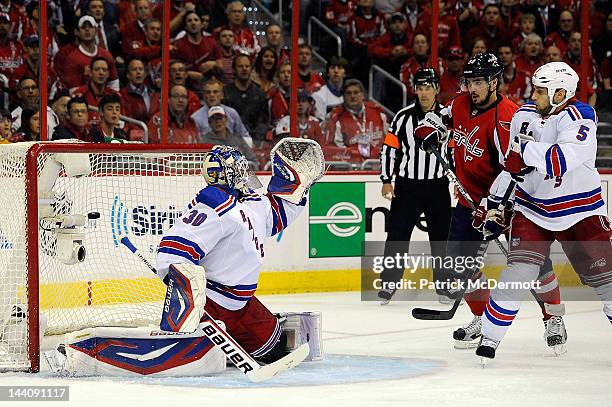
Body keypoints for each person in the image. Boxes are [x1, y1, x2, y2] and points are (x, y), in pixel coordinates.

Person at [414, 53, 564, 349]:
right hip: (469, 202)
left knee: (534, 266)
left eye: (480, 81)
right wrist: (430, 127)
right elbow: (442, 116)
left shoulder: (508, 117)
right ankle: (483, 319)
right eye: (470, 81)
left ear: (495, 82)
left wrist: (495, 207)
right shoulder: (460, 102)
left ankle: (553, 318)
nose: (473, 87)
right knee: (459, 266)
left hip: (511, 204)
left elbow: (516, 168)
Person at [476, 62, 612, 361]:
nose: (531, 95)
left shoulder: (581, 117)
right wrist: (494, 204)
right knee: (517, 275)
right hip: (533, 208)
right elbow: (511, 169)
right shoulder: (524, 115)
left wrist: (522, 153)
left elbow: (558, 160)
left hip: (581, 211)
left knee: (607, 282)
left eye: (540, 91)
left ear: (560, 92)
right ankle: (489, 338)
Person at [156, 143, 314, 363]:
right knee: (202, 359)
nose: (245, 173)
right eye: (240, 168)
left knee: (276, 350)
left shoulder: (251, 202)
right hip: (211, 304)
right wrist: (186, 295)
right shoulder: (213, 203)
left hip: (241, 304)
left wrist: (297, 185)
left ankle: (226, 346)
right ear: (227, 173)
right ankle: (205, 341)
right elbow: (174, 251)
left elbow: (278, 214)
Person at [377, 68, 451, 304]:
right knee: (397, 236)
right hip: (407, 187)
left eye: (428, 87)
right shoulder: (402, 117)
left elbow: (454, 152)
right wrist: (386, 180)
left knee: (441, 239)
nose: (424, 92)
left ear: (437, 89)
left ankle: (445, 286)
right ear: (415, 90)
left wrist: (459, 182)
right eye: (420, 87)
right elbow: (390, 150)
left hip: (438, 186)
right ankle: (388, 285)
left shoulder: (448, 117)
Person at [324, 79, 387, 160]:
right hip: (352, 167)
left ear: (363, 95)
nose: (352, 96)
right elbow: (335, 150)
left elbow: (389, 140)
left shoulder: (378, 113)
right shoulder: (336, 118)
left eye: (356, 92)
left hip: (379, 163)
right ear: (343, 96)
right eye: (348, 93)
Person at [223, 54, 270, 145]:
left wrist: (255, 142)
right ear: (233, 69)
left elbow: (263, 122)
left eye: (247, 66)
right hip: (230, 142)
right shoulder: (225, 93)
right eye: (240, 66)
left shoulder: (260, 94)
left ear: (251, 69)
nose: (244, 69)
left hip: (254, 142)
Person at [191, 79, 252, 146]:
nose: (212, 95)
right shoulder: (195, 118)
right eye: (208, 92)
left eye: (215, 92)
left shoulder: (232, 113)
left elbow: (245, 137)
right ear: (203, 96)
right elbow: (196, 144)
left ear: (222, 95)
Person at [312, 56, 348, 120]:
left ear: (345, 73)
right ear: (328, 73)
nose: (336, 71)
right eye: (332, 68)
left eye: (339, 68)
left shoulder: (351, 93)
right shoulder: (318, 95)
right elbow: (320, 124)